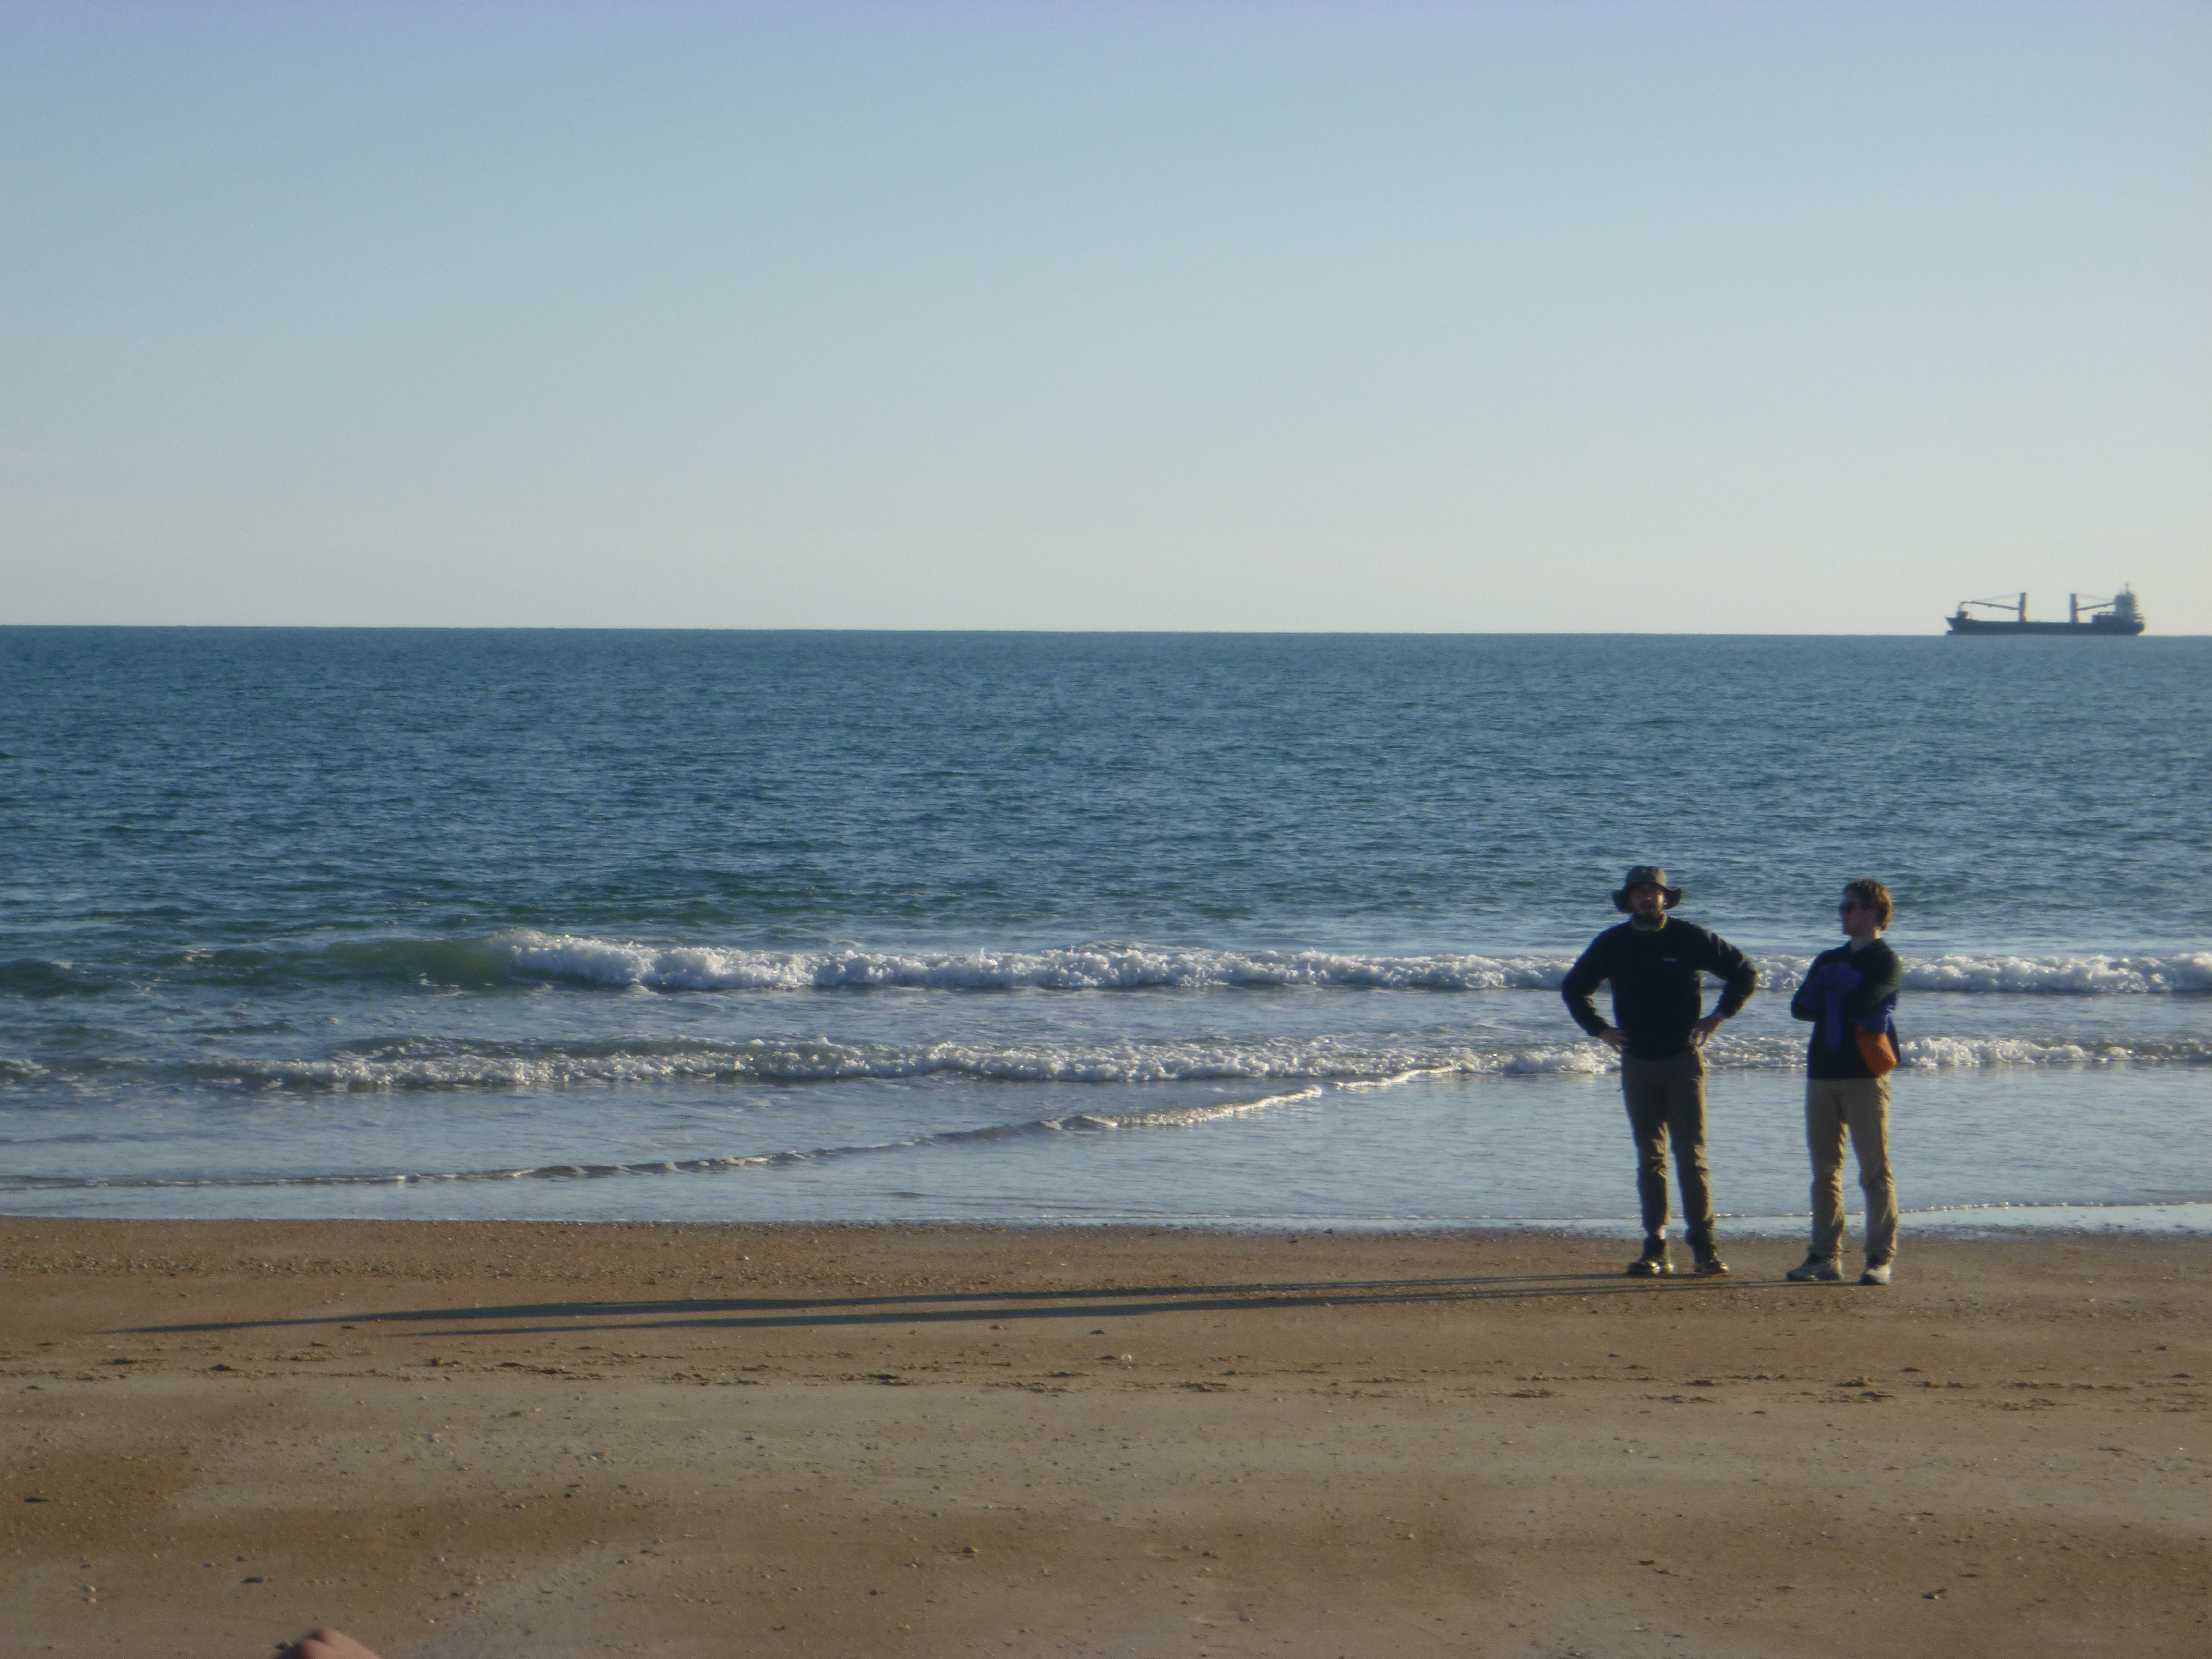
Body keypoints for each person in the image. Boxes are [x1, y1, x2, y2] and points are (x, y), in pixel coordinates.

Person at [1561, 865, 1757, 1277]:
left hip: (1683, 1059)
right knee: (1650, 1157)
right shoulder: (1613, 942)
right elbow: (1574, 988)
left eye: (1655, 892)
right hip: (1637, 1062)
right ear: (1628, 900)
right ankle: (1655, 1245)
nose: (1648, 899)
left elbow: (1744, 972)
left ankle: (1704, 1246)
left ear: (1667, 898)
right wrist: (1601, 1030)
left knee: (1691, 1154)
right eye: (1640, 893)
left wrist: (1718, 1017)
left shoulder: (1689, 937)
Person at [1786, 878, 1904, 1286]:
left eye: (1850, 907)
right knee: (1824, 1172)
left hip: (1865, 1076)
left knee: (1874, 1171)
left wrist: (1832, 989)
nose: (1843, 914)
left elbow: (1865, 1004)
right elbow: (1800, 1007)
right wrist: (1834, 988)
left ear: (1873, 913)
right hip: (1821, 1071)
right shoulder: (1828, 959)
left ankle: (1878, 1259)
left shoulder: (1886, 961)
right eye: (1841, 907)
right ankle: (1824, 1256)